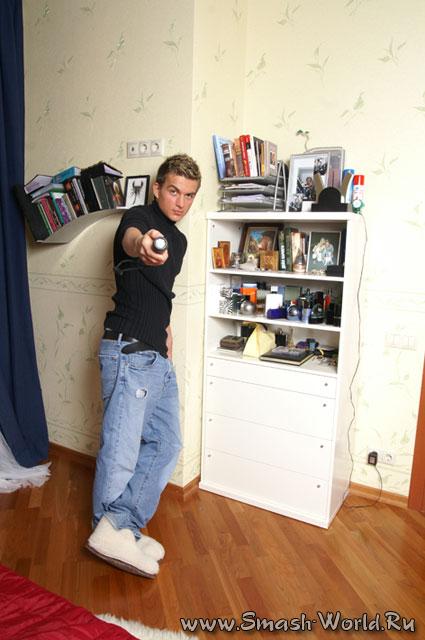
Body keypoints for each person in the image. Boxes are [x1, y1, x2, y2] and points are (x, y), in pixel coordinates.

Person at [86, 154, 201, 578]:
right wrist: (144, 244)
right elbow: (133, 240)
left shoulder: (180, 242)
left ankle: (124, 525)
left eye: (188, 195)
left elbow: (159, 292)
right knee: (121, 450)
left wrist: (167, 329)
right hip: (128, 350)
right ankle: (106, 533)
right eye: (173, 191)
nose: (180, 202)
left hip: (156, 354)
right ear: (157, 188)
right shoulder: (139, 218)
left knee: (167, 443)